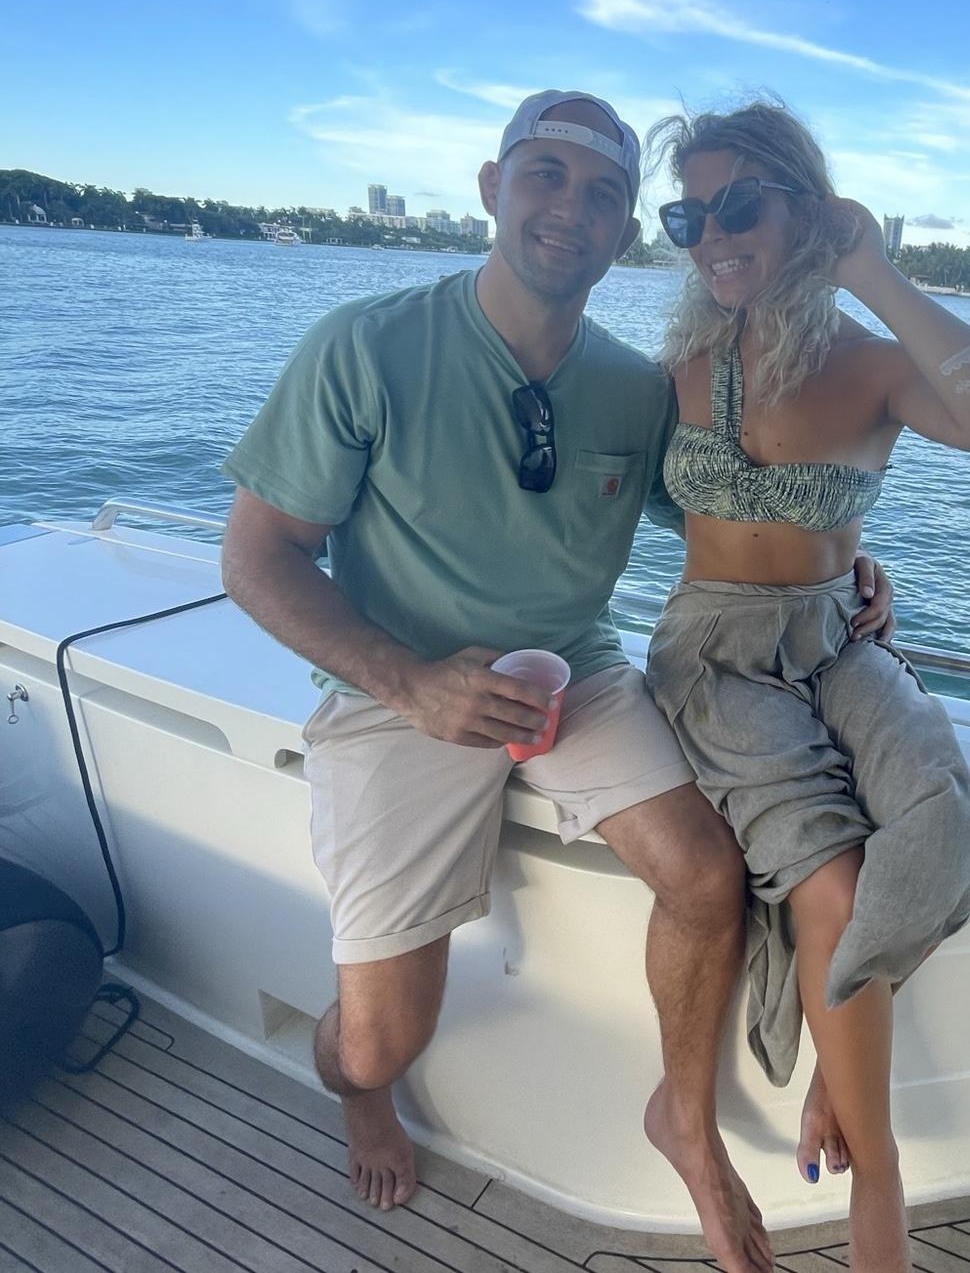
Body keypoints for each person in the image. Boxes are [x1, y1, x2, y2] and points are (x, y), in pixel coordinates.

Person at [219, 90, 893, 1273]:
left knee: (706, 875)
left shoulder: (636, 389)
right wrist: (412, 682)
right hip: (399, 692)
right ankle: (362, 1097)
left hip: (573, 672)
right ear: (494, 187)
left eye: (603, 194)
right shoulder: (366, 345)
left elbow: (734, 513)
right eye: (545, 175)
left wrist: (847, 558)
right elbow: (257, 556)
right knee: (379, 1042)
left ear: (628, 230)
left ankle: (685, 1125)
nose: (569, 209)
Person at [643, 100, 970, 1273]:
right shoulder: (676, 371)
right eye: (688, 216)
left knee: (942, 813)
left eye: (739, 206)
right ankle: (880, 1185)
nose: (714, 236)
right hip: (717, 655)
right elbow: (606, 505)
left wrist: (868, 264)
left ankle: (840, 1052)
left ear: (805, 210)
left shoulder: (871, 366)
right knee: (831, 875)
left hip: (836, 636)